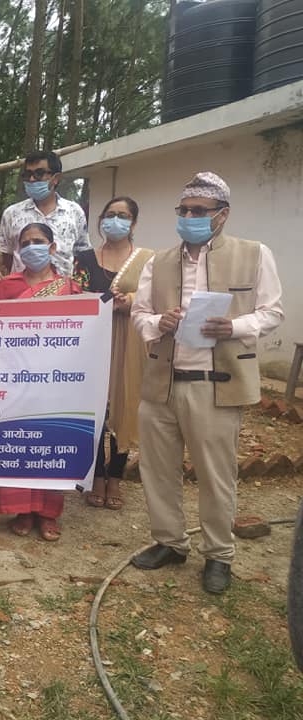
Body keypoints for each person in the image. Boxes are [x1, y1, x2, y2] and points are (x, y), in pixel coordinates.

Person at [130, 172, 283, 595]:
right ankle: (170, 542)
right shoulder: (159, 261)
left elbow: (273, 312)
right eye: (184, 210)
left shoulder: (253, 254)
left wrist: (233, 326)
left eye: (199, 211)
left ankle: (219, 555)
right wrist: (158, 322)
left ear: (222, 215)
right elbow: (140, 314)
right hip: (162, 381)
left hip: (216, 385)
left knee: (216, 475)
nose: (189, 217)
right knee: (157, 469)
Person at [0, 222, 82, 542]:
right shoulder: (7, 286)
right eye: (26, 242)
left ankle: (48, 513)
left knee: (49, 440)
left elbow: (81, 331)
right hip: (15, 376)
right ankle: (22, 510)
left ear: (53, 247)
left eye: (39, 241)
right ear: (18, 250)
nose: (32, 247)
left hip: (54, 377)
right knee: (16, 440)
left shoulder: (70, 288)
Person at [74, 197, 154, 511]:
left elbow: (156, 296)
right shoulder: (84, 258)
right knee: (95, 408)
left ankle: (116, 477)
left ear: (134, 222)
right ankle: (96, 475)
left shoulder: (148, 259)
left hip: (130, 340)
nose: (115, 220)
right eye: (110, 214)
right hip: (93, 340)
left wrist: (129, 300)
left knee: (125, 403)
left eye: (122, 215)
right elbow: (75, 294)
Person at [0, 150, 90, 277]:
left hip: (63, 288)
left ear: (56, 178)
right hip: (22, 288)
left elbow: (81, 253)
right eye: (28, 174)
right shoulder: (12, 214)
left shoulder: (74, 212)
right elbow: (7, 257)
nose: (32, 179)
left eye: (39, 173)